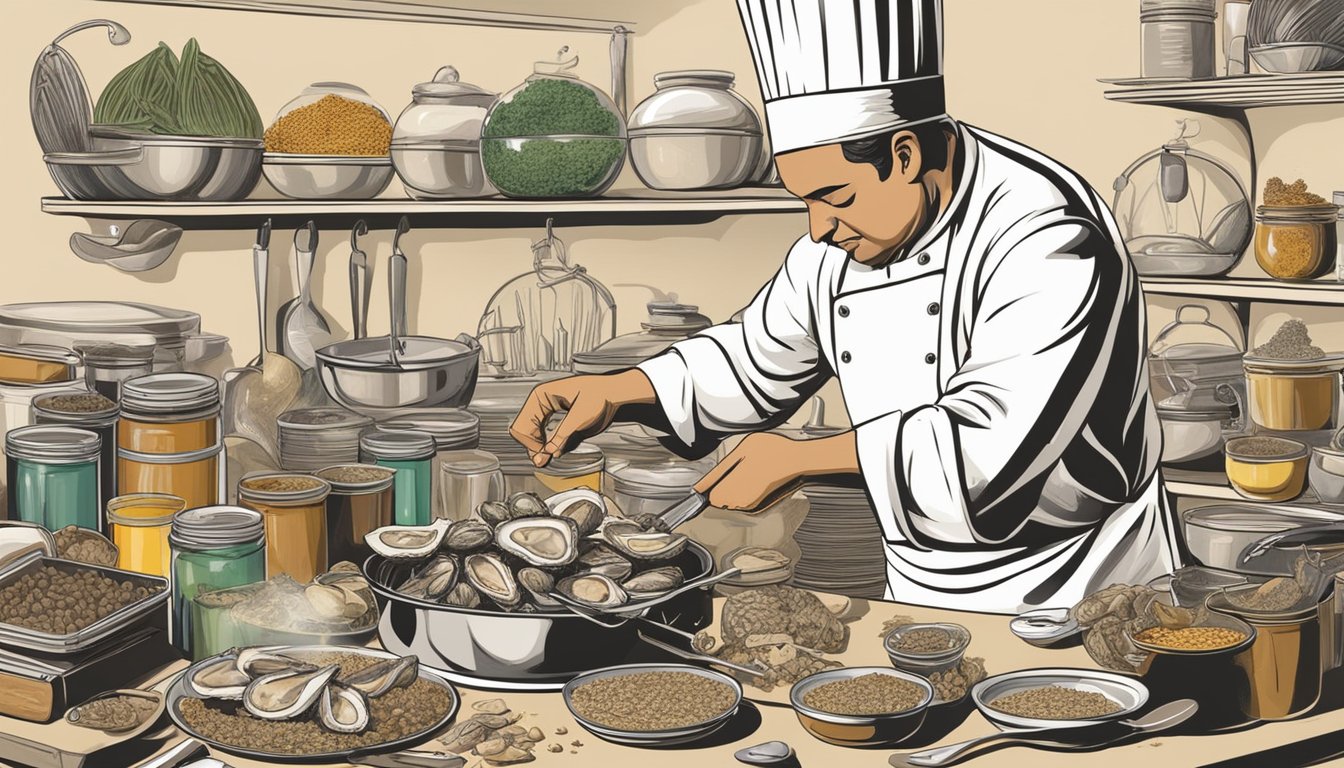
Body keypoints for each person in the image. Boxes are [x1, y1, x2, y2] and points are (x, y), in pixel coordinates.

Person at [511, 0, 1180, 614]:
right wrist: (618, 390)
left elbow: (990, 450)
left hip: (1086, 588)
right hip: (920, 583)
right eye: (805, 200)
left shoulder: (1046, 237)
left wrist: (801, 458)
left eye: (834, 196)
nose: (819, 228)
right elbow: (754, 357)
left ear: (906, 154)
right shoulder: (847, 235)